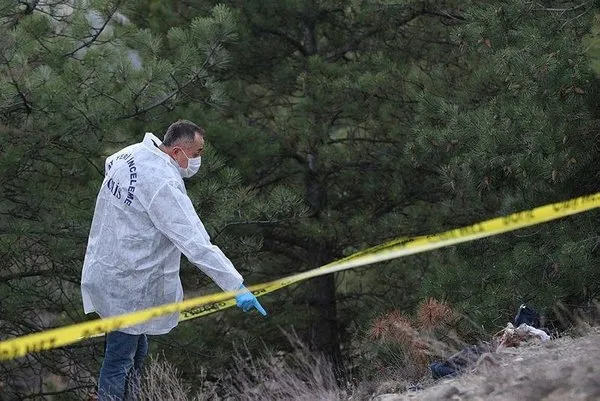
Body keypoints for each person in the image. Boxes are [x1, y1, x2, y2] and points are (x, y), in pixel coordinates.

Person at [81, 120, 267, 401]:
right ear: (178, 152)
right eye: (197, 154)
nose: (199, 160)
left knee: (136, 351)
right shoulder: (163, 184)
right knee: (120, 357)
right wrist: (235, 286)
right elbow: (197, 244)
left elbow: (110, 166)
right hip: (127, 282)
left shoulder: (129, 154)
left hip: (110, 268)